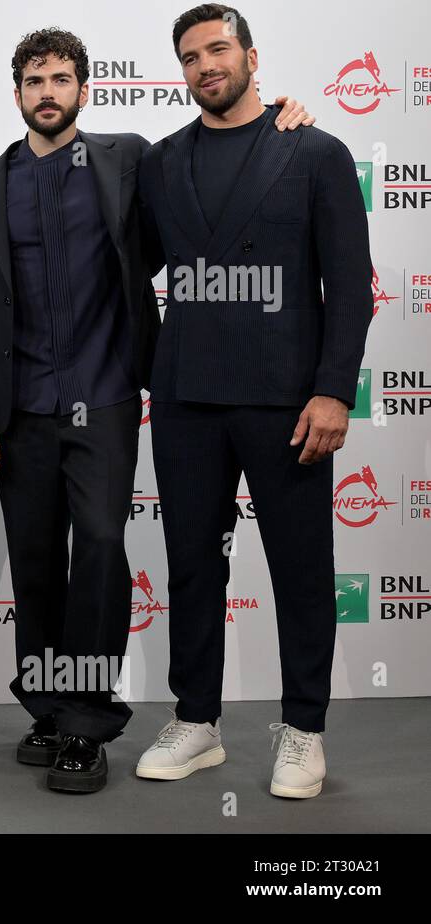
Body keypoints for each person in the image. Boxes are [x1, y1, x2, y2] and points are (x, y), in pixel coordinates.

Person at [0, 29, 313, 794]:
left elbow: (221, 159)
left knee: (98, 548)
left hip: (109, 395)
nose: (47, 91)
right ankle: (47, 708)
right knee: (35, 566)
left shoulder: (132, 161)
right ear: (15, 92)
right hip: (19, 408)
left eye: (60, 78)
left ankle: (86, 722)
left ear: (85, 88)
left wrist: (284, 117)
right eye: (33, 80)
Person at [133, 4, 371, 799]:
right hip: (186, 399)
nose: (206, 64)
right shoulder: (160, 163)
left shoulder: (317, 151)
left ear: (251, 56)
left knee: (302, 571)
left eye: (218, 49)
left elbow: (351, 286)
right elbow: (129, 271)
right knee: (192, 568)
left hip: (287, 403)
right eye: (191, 55)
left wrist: (335, 390)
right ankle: (196, 722)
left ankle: (303, 731)